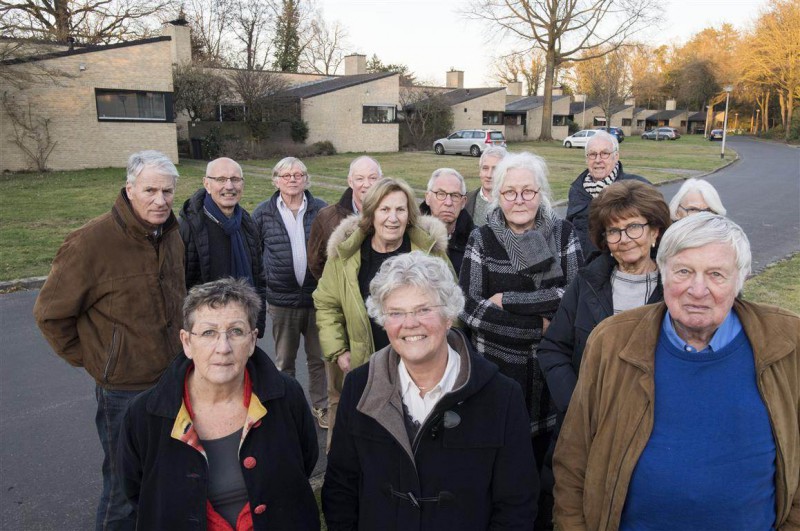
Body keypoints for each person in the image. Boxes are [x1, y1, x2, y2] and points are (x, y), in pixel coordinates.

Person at [553, 213, 800, 530]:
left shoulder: (788, 341)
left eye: (716, 274)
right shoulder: (612, 342)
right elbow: (574, 459)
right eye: (684, 271)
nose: (698, 290)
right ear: (663, 273)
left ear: (741, 279)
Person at [323, 252, 538, 530]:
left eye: (423, 309)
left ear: (449, 315)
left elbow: (517, 504)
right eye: (396, 313)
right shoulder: (359, 388)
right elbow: (341, 487)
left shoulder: (502, 396)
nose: (410, 323)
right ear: (382, 320)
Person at [33, 150, 185, 530]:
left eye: (167, 191)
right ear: (129, 188)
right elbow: (50, 314)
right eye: (150, 190)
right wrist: (98, 360)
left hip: (175, 379)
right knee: (123, 490)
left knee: (169, 478)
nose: (160, 200)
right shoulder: (90, 242)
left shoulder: (171, 233)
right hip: (123, 392)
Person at [117, 278, 320, 530]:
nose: (223, 348)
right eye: (208, 332)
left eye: (236, 331)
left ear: (253, 341)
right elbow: (138, 491)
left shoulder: (286, 396)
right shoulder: (144, 414)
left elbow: (304, 463)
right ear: (187, 342)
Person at [458, 151, 583, 528]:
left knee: (546, 468)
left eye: (528, 191)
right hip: (498, 371)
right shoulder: (483, 239)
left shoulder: (563, 233)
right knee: (500, 469)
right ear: (497, 195)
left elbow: (573, 296)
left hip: (550, 372)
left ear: (541, 193)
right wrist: (536, 328)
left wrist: (509, 300)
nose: (519, 200)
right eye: (510, 192)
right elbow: (469, 309)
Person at [313, 177, 452, 448]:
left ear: (409, 214)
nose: (393, 218)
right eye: (384, 209)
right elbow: (326, 303)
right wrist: (339, 351)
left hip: (420, 366)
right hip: (365, 363)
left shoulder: (429, 252)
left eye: (400, 210)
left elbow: (451, 305)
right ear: (371, 213)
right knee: (365, 438)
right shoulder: (346, 255)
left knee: (415, 436)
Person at [538, 180, 671, 416]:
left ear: (655, 231)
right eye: (614, 231)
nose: (624, 238)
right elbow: (553, 348)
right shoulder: (587, 282)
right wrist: (576, 405)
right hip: (587, 422)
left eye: (634, 227)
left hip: (653, 421)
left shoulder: (674, 289)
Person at [252, 157, 329, 429]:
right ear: (275, 180)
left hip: (316, 299)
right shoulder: (262, 213)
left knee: (318, 358)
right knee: (284, 361)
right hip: (282, 301)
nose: (292, 179)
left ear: (306, 179)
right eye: (286, 176)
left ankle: (321, 406)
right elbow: (255, 252)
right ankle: (290, 410)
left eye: (298, 174)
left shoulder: (321, 209)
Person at [179, 157, 265, 337]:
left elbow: (258, 279)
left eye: (235, 179)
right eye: (220, 179)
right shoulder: (188, 228)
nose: (229, 186)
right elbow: (180, 287)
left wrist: (258, 325)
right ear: (207, 184)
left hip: (242, 326)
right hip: (206, 332)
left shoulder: (248, 225)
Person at [566, 130, 650, 257]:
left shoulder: (637, 187)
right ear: (586, 159)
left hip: (622, 266)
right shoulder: (576, 191)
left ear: (616, 156)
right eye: (592, 154)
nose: (598, 160)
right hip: (584, 270)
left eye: (604, 153)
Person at [307, 155, 382, 280]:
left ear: (381, 180)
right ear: (350, 182)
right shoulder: (326, 217)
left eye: (373, 178)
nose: (367, 184)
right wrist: (336, 290)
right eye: (359, 179)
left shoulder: (393, 216)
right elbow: (316, 262)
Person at [420, 167, 475, 273]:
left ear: (463, 202)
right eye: (441, 194)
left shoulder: (476, 241)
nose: (448, 202)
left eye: (455, 196)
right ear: (428, 198)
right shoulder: (411, 236)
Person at [465, 146, 507, 226]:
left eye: (495, 169)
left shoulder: (513, 203)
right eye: (485, 168)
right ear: (480, 172)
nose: (489, 175)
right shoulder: (466, 201)